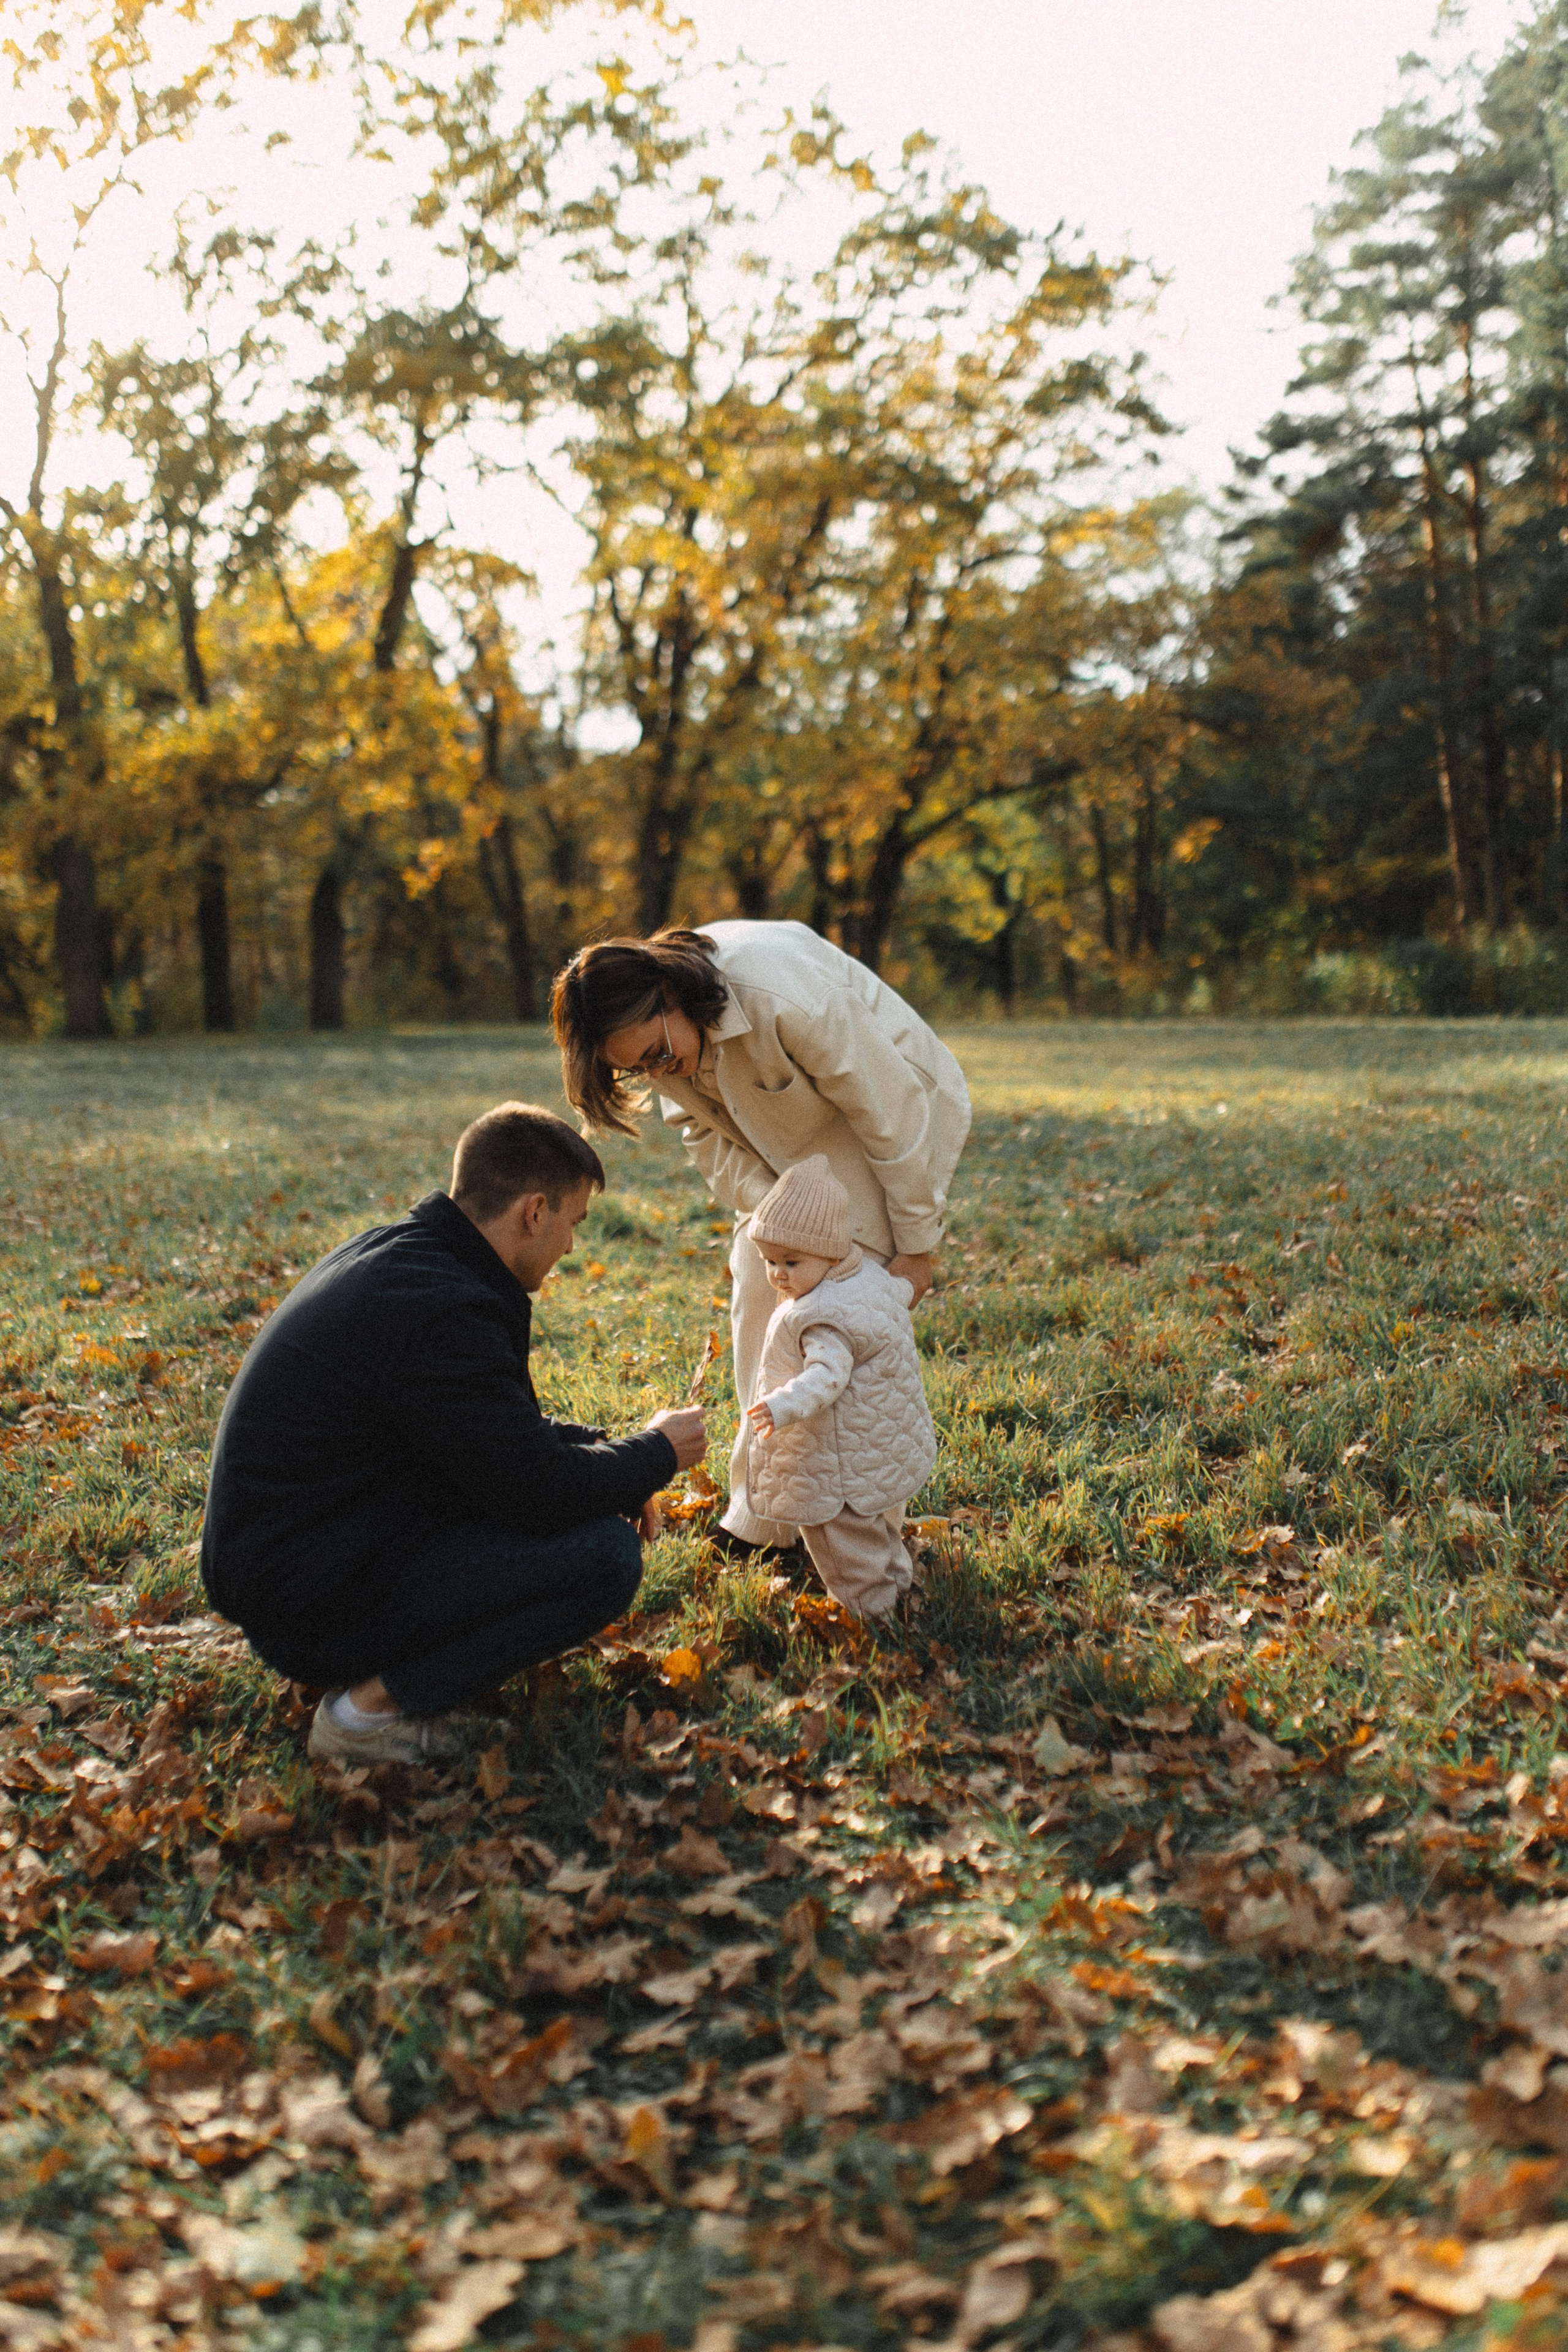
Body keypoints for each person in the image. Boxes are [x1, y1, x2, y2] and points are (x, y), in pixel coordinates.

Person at [199, 1102, 706, 1766]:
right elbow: (536, 1491)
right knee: (603, 1558)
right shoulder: (439, 1309)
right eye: (573, 1223)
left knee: (580, 1515)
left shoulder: (414, 1260)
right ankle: (364, 1716)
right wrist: (657, 1452)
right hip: (305, 1605)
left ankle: (378, 1675)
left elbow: (488, 1436)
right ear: (534, 1212)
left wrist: (607, 1451)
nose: (571, 1247)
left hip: (309, 1561)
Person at [550, 920, 969, 1553]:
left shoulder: (783, 996)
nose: (659, 1072)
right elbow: (702, 1134)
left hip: (894, 1113)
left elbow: (890, 1113)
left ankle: (864, 1537)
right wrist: (779, 1218)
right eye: (638, 1069)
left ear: (670, 992)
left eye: (658, 1055)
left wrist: (915, 1247)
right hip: (788, 1146)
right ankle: (766, 1519)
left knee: (846, 1315)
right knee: (760, 1289)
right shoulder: (661, 1043)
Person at [744, 1157, 936, 1621]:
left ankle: (871, 1620)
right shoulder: (869, 1278)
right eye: (769, 1261)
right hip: (875, 1444)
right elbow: (901, 1294)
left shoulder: (820, 1314)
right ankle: (898, 1587)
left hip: (835, 1462)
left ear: (830, 1253)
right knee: (876, 1527)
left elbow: (826, 1376)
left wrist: (781, 1405)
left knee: (842, 1542)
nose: (778, 1274)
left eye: (792, 1261)